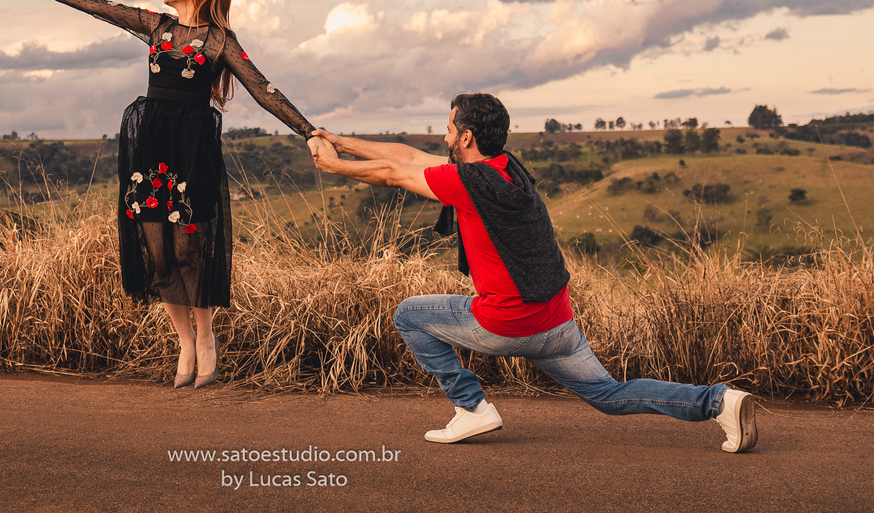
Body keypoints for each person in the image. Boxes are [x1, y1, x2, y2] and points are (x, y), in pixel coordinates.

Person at [308, 92, 757, 452]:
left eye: (448, 131)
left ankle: (472, 409)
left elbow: (391, 172)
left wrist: (331, 164)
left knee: (408, 314)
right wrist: (340, 141)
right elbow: (405, 154)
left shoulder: (467, 182)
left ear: (465, 137)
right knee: (609, 395)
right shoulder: (505, 172)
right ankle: (719, 402)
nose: (444, 140)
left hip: (507, 323)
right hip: (556, 322)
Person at [13, 0, 318, 389]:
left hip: (191, 149)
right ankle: (184, 344)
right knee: (157, 255)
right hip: (151, 145)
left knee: (186, 250)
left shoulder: (219, 41)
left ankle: (207, 338)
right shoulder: (156, 26)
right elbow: (99, 6)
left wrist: (308, 131)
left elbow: (263, 88)